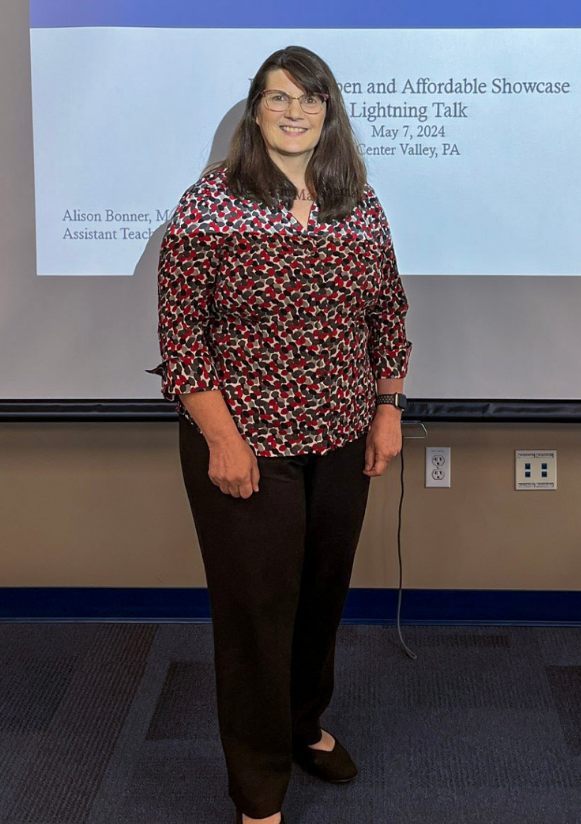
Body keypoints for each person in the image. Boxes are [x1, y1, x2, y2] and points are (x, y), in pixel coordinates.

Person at [152, 45, 412, 824]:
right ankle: (258, 787)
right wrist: (222, 442)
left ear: (329, 112)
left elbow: (387, 308)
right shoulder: (211, 205)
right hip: (247, 442)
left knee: (320, 600)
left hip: (340, 434)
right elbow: (182, 336)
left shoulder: (355, 202)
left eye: (309, 98)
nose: (294, 111)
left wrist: (389, 405)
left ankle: (304, 727)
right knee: (257, 616)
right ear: (254, 110)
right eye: (277, 97)